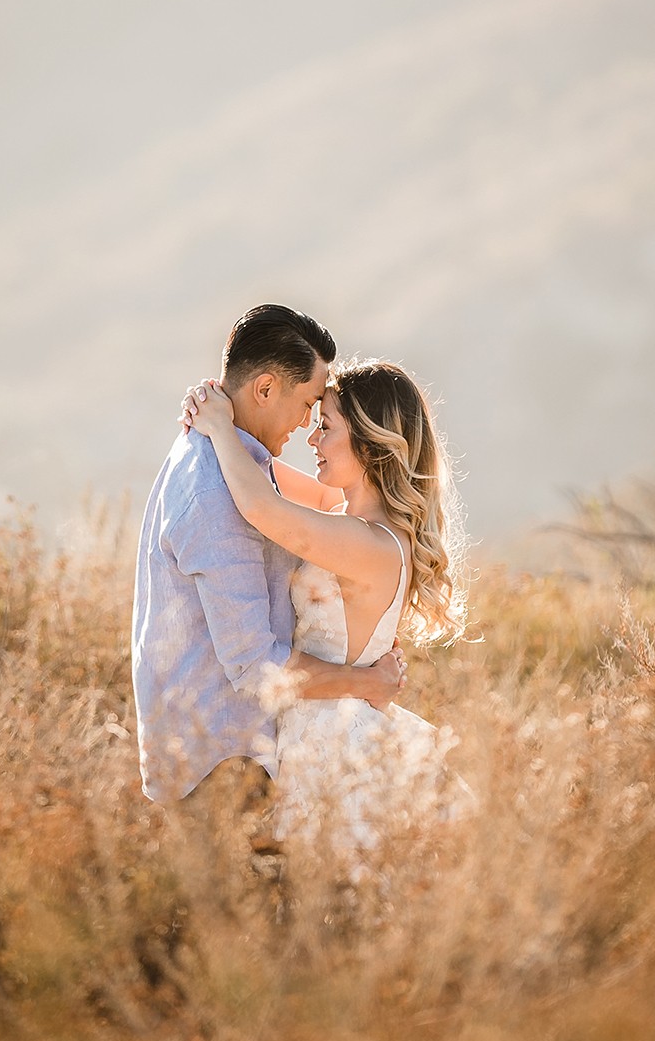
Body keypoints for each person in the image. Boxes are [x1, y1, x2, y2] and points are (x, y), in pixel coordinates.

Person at [182, 356, 468, 881]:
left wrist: (220, 428)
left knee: (344, 897)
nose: (312, 440)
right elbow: (262, 478)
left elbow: (261, 507)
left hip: (339, 747)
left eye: (326, 428)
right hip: (315, 733)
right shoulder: (349, 518)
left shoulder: (374, 545)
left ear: (368, 442)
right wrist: (217, 417)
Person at [131, 305, 405, 829]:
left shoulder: (233, 461)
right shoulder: (219, 493)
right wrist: (365, 682)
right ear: (263, 389)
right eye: (307, 406)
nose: (307, 426)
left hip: (241, 756)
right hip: (222, 765)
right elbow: (256, 669)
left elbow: (315, 509)